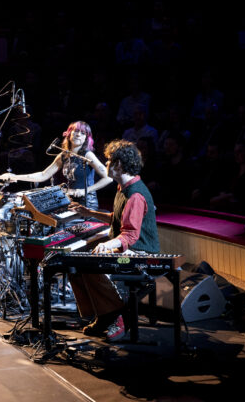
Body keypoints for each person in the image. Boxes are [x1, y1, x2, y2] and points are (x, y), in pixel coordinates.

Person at [68, 139, 160, 341]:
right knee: (74, 260)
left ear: (119, 165)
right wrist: (87, 211)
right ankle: (104, 314)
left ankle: (117, 315)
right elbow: (117, 219)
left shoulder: (135, 194)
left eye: (109, 160)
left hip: (140, 254)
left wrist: (107, 244)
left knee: (91, 263)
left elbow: (130, 235)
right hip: (129, 248)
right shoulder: (123, 188)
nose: (106, 163)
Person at [1, 121, 112, 209]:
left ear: (86, 139)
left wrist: (85, 190)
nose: (78, 134)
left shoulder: (88, 155)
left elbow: (108, 178)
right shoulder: (63, 156)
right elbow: (43, 175)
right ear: (69, 134)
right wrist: (14, 177)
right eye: (76, 131)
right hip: (70, 201)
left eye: (83, 133)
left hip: (87, 204)